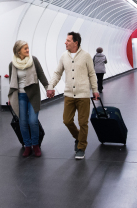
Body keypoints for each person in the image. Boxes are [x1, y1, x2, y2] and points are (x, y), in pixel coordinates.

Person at [46, 32, 99, 160]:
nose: (65, 42)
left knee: (83, 122)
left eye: (68, 40)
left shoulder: (86, 56)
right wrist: (51, 86)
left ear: (76, 43)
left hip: (83, 95)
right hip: (69, 94)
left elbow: (92, 73)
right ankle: (78, 137)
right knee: (67, 120)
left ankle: (81, 147)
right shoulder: (64, 56)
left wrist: (95, 90)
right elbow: (58, 72)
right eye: (66, 40)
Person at [8, 40, 49, 158]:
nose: (27, 50)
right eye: (25, 48)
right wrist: (10, 96)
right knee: (23, 122)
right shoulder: (12, 64)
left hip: (33, 95)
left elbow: (41, 75)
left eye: (28, 48)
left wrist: (48, 88)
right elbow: (12, 82)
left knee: (33, 121)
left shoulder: (33, 60)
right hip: (19, 96)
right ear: (18, 50)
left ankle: (35, 145)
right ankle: (27, 145)